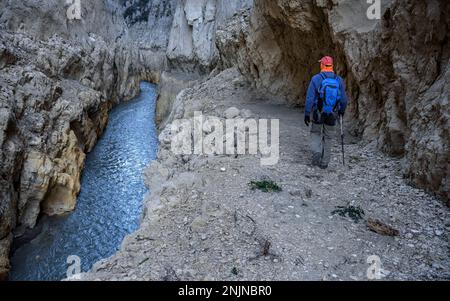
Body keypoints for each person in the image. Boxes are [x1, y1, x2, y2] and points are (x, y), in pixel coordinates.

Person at [304, 56, 348, 169]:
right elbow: (343, 99)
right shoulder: (339, 80)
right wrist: (341, 111)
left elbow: (309, 98)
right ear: (332, 66)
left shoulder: (316, 79)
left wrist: (307, 113)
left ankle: (317, 152)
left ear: (322, 65)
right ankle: (324, 162)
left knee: (315, 133)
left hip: (318, 112)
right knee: (328, 137)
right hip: (332, 113)